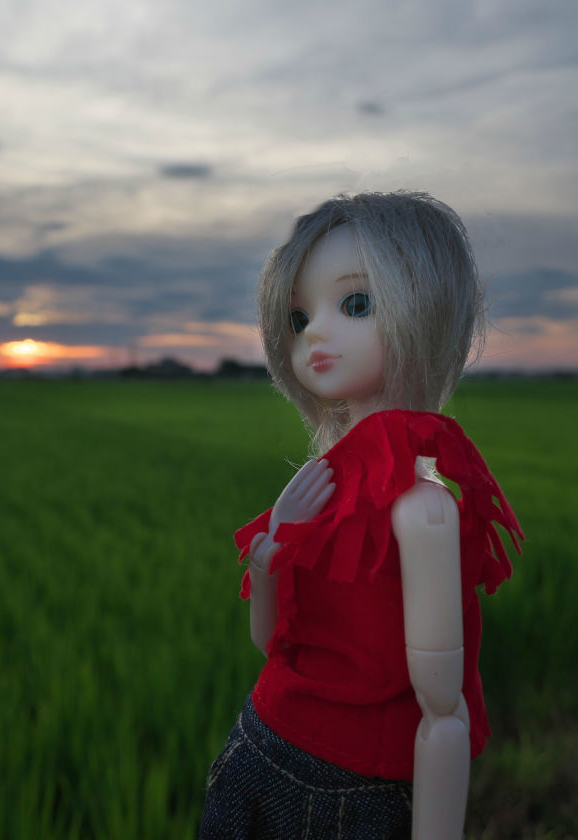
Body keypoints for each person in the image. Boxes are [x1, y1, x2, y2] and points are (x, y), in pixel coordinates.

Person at [200, 192, 523, 840]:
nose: (314, 334)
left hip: (348, 789)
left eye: (354, 305)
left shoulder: (423, 510)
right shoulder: (322, 485)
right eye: (298, 318)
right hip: (258, 743)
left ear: (422, 309)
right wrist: (267, 557)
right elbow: (275, 644)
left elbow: (442, 709)